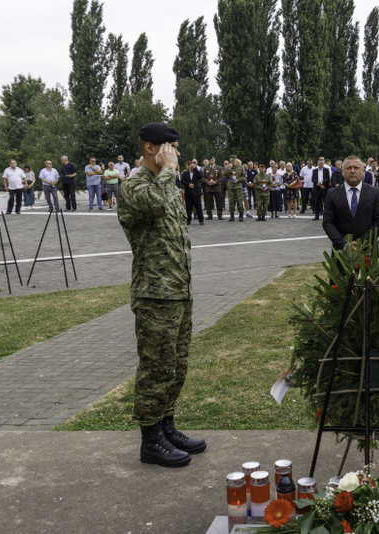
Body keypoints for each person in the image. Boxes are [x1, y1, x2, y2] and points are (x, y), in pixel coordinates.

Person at [117, 122, 206, 468]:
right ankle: (151, 439)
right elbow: (153, 205)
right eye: (170, 147)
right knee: (155, 368)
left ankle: (167, 427)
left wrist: (168, 174)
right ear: (150, 148)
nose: (176, 153)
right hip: (154, 295)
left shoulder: (167, 183)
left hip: (179, 291)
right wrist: (168, 171)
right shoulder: (134, 185)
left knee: (176, 366)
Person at [322, 155, 379, 254]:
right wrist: (344, 245)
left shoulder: (375, 193)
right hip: (341, 253)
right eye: (348, 168)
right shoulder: (332, 194)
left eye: (356, 168)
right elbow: (328, 223)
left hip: (368, 252)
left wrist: (361, 243)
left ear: (363, 171)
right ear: (342, 171)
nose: (352, 171)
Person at [181, 159, 204, 225]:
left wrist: (195, 169)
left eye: (193, 167)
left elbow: (200, 176)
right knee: (188, 207)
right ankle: (188, 220)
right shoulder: (185, 173)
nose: (192, 168)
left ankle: (201, 220)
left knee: (198, 207)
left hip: (196, 192)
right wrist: (188, 184)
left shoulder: (197, 172)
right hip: (188, 192)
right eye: (191, 167)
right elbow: (182, 181)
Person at [223, 157, 245, 221]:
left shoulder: (240, 167)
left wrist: (238, 180)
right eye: (231, 161)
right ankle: (232, 215)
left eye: (233, 161)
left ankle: (241, 215)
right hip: (231, 187)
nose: (232, 162)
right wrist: (229, 168)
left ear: (236, 161)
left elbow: (244, 176)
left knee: (239, 201)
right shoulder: (228, 168)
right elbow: (225, 175)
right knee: (231, 201)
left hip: (238, 187)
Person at [202, 156, 224, 220]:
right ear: (208, 161)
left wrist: (215, 182)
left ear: (214, 160)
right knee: (208, 202)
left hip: (216, 187)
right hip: (208, 187)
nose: (211, 161)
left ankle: (220, 214)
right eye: (210, 160)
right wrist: (207, 182)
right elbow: (203, 178)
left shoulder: (218, 168)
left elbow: (221, 177)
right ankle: (209, 215)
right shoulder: (206, 168)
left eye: (212, 160)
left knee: (219, 202)